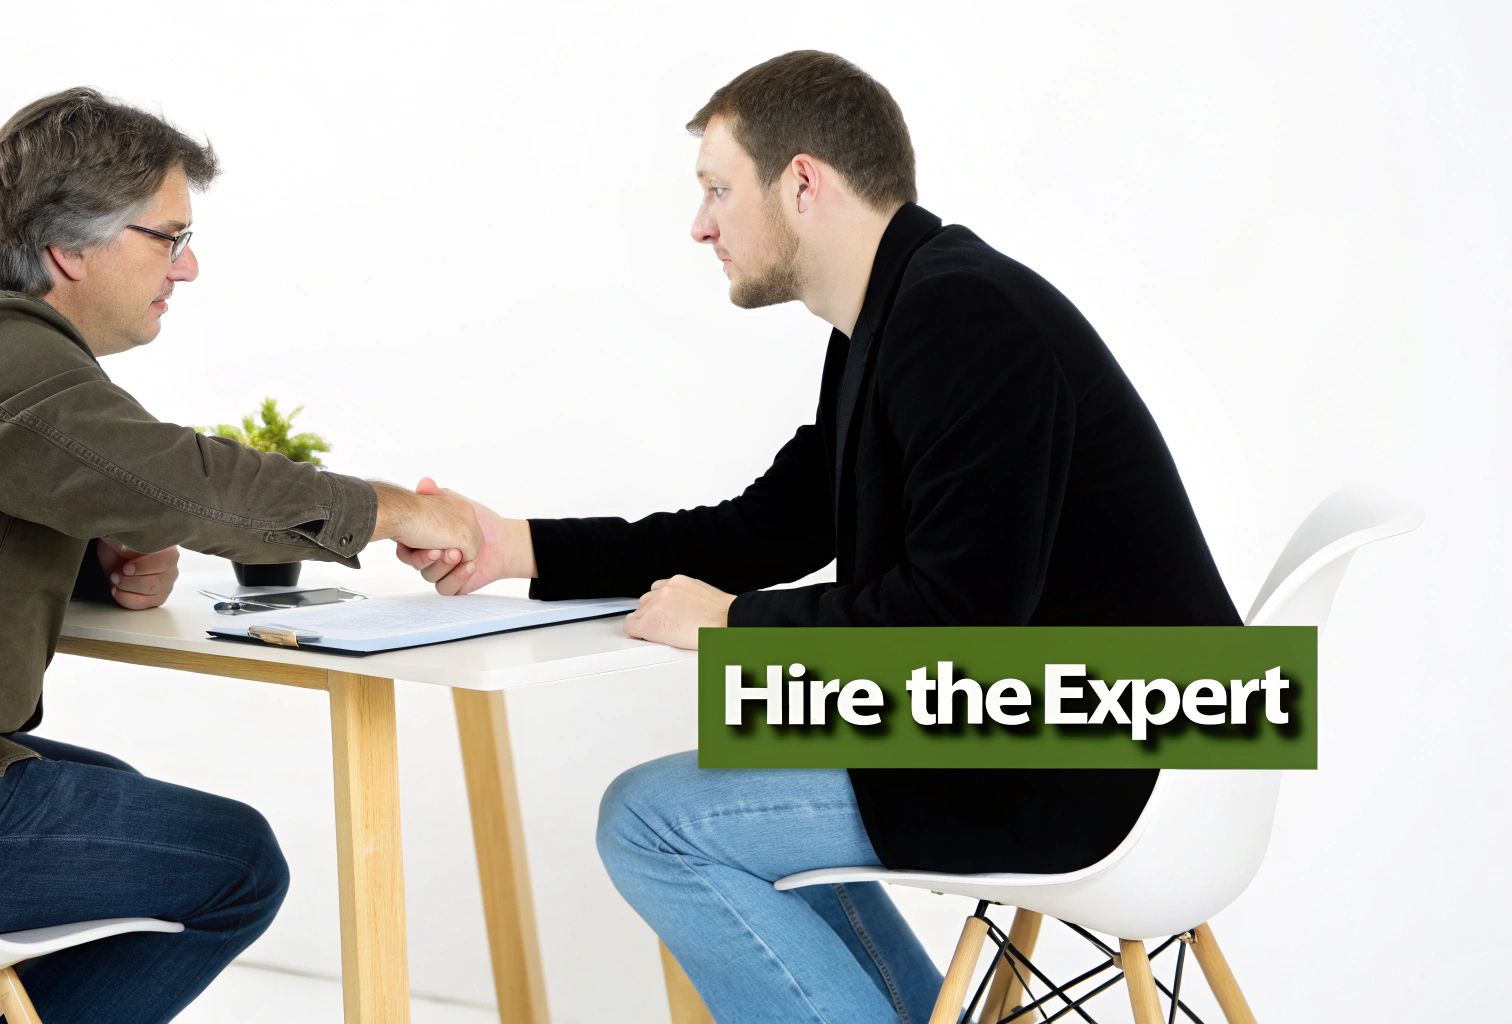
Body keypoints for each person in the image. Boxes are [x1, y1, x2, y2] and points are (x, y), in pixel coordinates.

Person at [398, 51, 1241, 1022]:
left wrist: (732, 624)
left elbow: (954, 619)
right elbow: (768, 525)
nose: (699, 224)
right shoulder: (892, 319)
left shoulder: (961, 317)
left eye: (717, 188)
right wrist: (518, 544)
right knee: (754, 746)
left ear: (801, 181)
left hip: (1125, 744)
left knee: (652, 821)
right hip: (1081, 715)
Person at [0, 87, 482, 1024]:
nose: (189, 267)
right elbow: (190, 484)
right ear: (68, 247)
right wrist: (398, 512)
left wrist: (93, 557)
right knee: (234, 864)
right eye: (168, 238)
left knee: (115, 799)